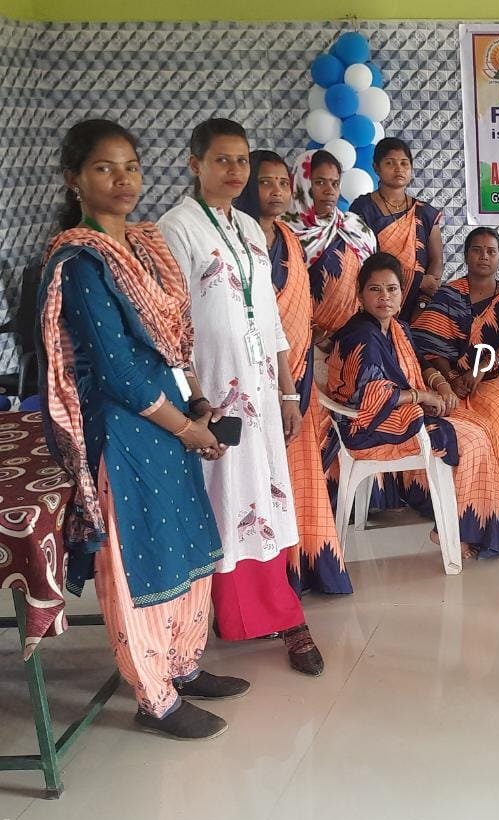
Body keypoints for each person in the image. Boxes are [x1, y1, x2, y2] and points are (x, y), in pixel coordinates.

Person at [39, 119, 247, 740]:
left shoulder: (145, 245)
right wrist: (185, 428)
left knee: (182, 543)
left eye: (130, 166)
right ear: (74, 180)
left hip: (171, 416)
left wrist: (199, 403)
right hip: (126, 431)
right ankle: (154, 696)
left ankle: (183, 665)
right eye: (104, 168)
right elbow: (118, 371)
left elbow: (174, 338)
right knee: (138, 561)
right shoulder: (81, 262)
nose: (123, 179)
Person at [159, 119, 324, 676]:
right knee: (223, 499)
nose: (235, 171)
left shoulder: (251, 228)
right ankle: (206, 626)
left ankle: (281, 611)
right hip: (213, 391)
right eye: (222, 160)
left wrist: (287, 392)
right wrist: (195, 399)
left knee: (266, 498)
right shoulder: (176, 228)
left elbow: (269, 317)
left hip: (261, 388)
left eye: (242, 160)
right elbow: (172, 325)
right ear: (195, 164)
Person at [327, 253, 499, 559]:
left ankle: (459, 524)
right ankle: (455, 529)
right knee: (471, 440)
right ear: (360, 295)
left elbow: (419, 363)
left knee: (480, 426)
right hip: (369, 427)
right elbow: (373, 397)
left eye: (392, 289)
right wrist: (422, 397)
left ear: (402, 295)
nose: (384, 297)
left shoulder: (397, 328)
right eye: (374, 289)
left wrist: (440, 386)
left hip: (396, 416)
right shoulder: (361, 335)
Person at [234, 149, 353, 596]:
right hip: (250, 381)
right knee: (259, 482)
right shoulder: (235, 242)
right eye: (265, 182)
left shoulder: (290, 237)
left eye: (283, 182)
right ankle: (267, 581)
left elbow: (298, 309)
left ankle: (310, 566)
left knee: (301, 477)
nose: (277, 191)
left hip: (296, 377)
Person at [409, 227, 499, 556]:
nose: (483, 257)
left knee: (493, 419)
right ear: (465, 255)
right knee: (456, 425)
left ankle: (479, 510)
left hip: (494, 375)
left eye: (491, 251)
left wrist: (480, 370)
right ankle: (451, 507)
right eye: (477, 250)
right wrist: (451, 377)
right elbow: (428, 344)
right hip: (449, 379)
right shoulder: (449, 294)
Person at [282, 149, 377, 340]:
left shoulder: (354, 227)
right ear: (301, 183)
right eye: (319, 182)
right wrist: (317, 338)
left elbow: (373, 280)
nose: (329, 190)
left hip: (356, 337)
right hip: (300, 338)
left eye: (334, 183)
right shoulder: (283, 232)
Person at [348, 137, 445, 321]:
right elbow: (357, 260)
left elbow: (436, 260)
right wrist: (417, 281)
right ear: (376, 167)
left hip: (417, 308)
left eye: (404, 163)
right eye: (390, 163)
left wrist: (423, 299)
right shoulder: (362, 208)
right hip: (375, 301)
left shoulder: (425, 213)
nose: (398, 169)